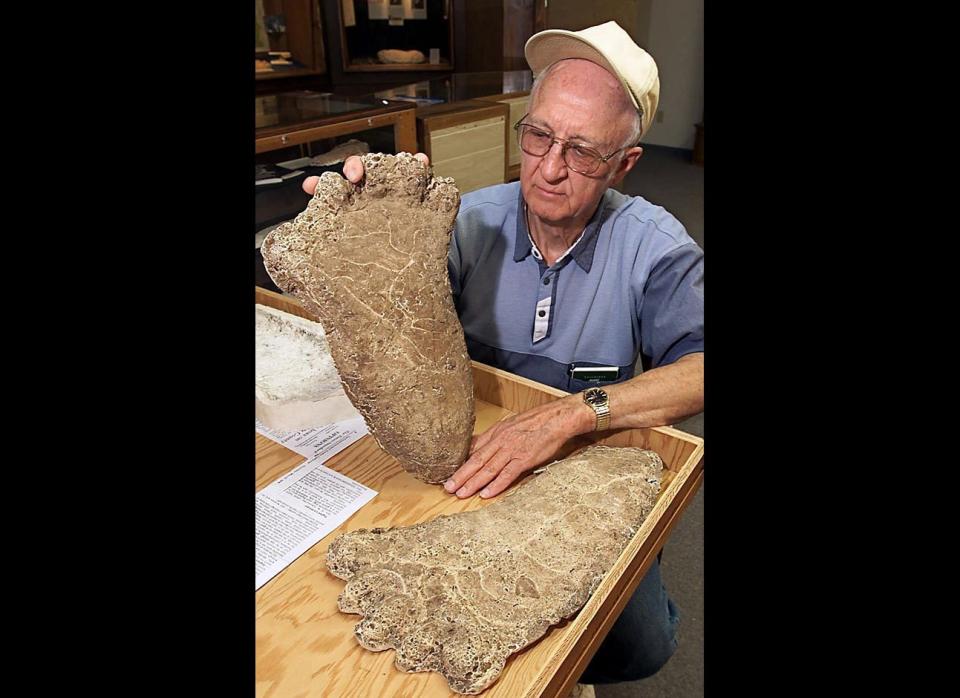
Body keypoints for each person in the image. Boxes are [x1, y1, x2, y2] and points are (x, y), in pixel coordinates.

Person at [302, 20, 703, 689]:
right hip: (468, 456)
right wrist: (363, 250)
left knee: (643, 644)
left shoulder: (653, 247)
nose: (547, 169)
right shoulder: (468, 218)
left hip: (581, 475)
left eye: (582, 153)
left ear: (625, 163)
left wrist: (578, 411)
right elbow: (388, 328)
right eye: (539, 134)